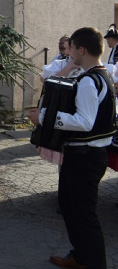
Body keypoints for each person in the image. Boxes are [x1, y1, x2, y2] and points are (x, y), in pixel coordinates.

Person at [27, 27, 115, 269]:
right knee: (69, 206)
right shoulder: (102, 74)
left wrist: (44, 117)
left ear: (81, 49)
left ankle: (94, 263)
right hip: (84, 155)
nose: (70, 54)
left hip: (84, 157)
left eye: (72, 49)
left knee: (83, 214)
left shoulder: (88, 80)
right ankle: (81, 256)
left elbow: (85, 122)